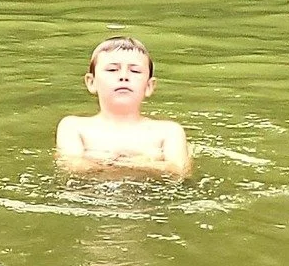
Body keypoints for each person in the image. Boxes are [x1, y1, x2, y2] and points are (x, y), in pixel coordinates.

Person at [55, 34, 190, 178]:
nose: (124, 76)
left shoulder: (168, 131)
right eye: (112, 70)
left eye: (135, 71)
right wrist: (145, 163)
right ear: (91, 82)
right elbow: (70, 166)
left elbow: (179, 170)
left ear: (149, 86)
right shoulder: (73, 126)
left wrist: (119, 164)